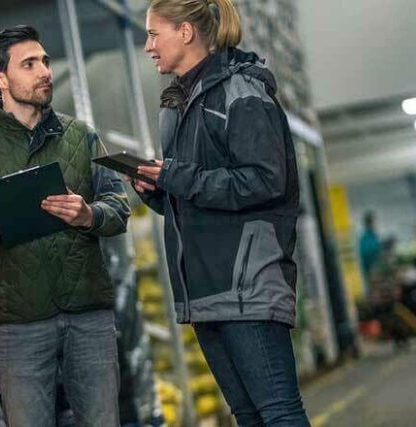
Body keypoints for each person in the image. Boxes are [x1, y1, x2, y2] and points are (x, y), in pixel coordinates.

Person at [130, 0, 310, 425]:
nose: (148, 46)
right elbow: (197, 188)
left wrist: (175, 176)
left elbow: (266, 180)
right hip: (207, 290)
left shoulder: (240, 92)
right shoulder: (177, 105)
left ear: (186, 33)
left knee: (279, 412)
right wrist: (156, 189)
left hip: (246, 282)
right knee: (247, 415)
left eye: (155, 34)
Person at [0, 25, 132, 426]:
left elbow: (119, 207)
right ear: (1, 79)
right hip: (20, 326)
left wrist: (90, 215)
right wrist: (11, 204)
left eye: (45, 62)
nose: (44, 71)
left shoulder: (81, 137)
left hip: (89, 317)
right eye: (29, 64)